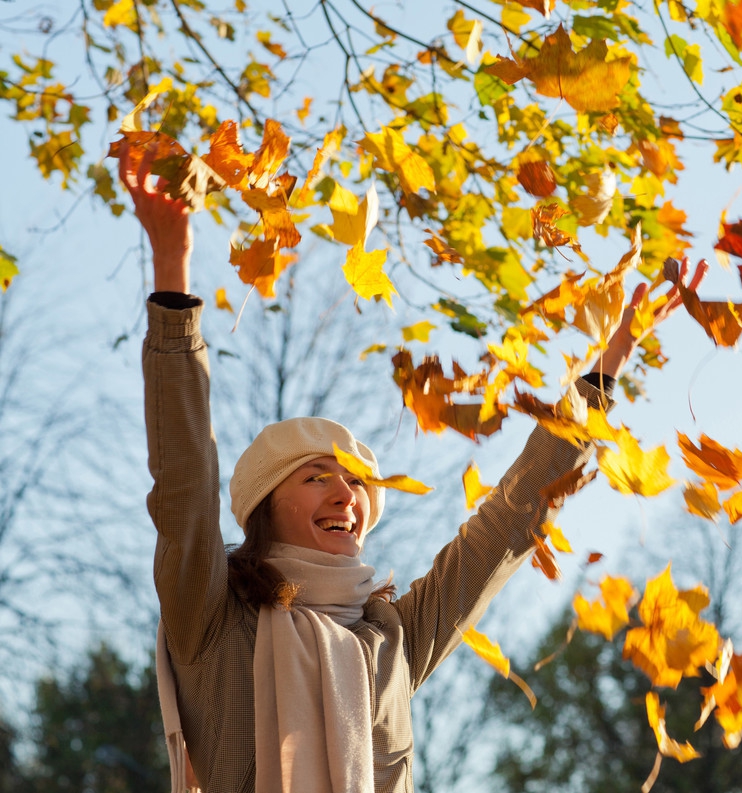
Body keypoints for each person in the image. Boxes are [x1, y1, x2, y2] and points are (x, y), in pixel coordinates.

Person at [121, 142, 683, 793]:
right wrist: (172, 268)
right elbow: (185, 482)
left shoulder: (392, 637)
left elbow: (503, 527)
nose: (345, 494)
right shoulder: (211, 613)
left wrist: (602, 375)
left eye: (358, 482)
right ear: (262, 508)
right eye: (315, 476)